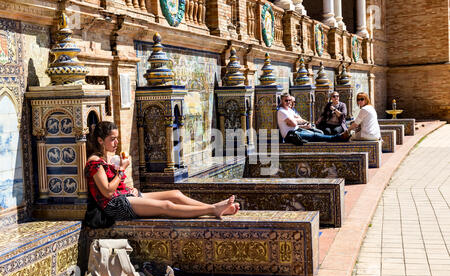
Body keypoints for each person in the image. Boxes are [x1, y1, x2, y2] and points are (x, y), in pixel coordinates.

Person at [85, 121, 240, 221]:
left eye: (117, 138)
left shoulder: (106, 159)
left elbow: (114, 187)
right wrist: (122, 170)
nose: (117, 142)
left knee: (175, 194)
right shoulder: (95, 163)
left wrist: (126, 188)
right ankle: (213, 209)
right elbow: (107, 192)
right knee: (166, 205)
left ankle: (212, 208)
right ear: (100, 140)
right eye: (112, 139)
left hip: (124, 196)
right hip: (115, 206)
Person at [277, 93, 350, 144]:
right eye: (286, 100)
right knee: (315, 136)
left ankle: (338, 138)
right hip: (291, 135)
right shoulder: (281, 111)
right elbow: (293, 123)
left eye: (290, 100)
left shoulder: (289, 110)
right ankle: (339, 137)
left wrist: (302, 123)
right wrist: (297, 122)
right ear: (281, 101)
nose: (289, 102)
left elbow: (300, 119)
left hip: (297, 130)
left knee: (317, 133)